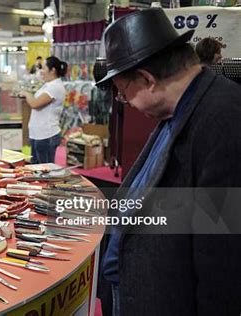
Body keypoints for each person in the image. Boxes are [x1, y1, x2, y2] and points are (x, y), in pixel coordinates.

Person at [97, 8, 241, 316]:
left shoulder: (223, 119)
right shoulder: (178, 110)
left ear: (147, 79)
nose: (128, 104)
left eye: (123, 93)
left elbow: (222, 257)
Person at [20, 56, 67, 164]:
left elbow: (35, 104)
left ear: (53, 70)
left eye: (44, 68)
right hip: (38, 134)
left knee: (45, 171)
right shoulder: (48, 85)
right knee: (35, 169)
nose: (41, 71)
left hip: (46, 134)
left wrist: (27, 94)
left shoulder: (55, 87)